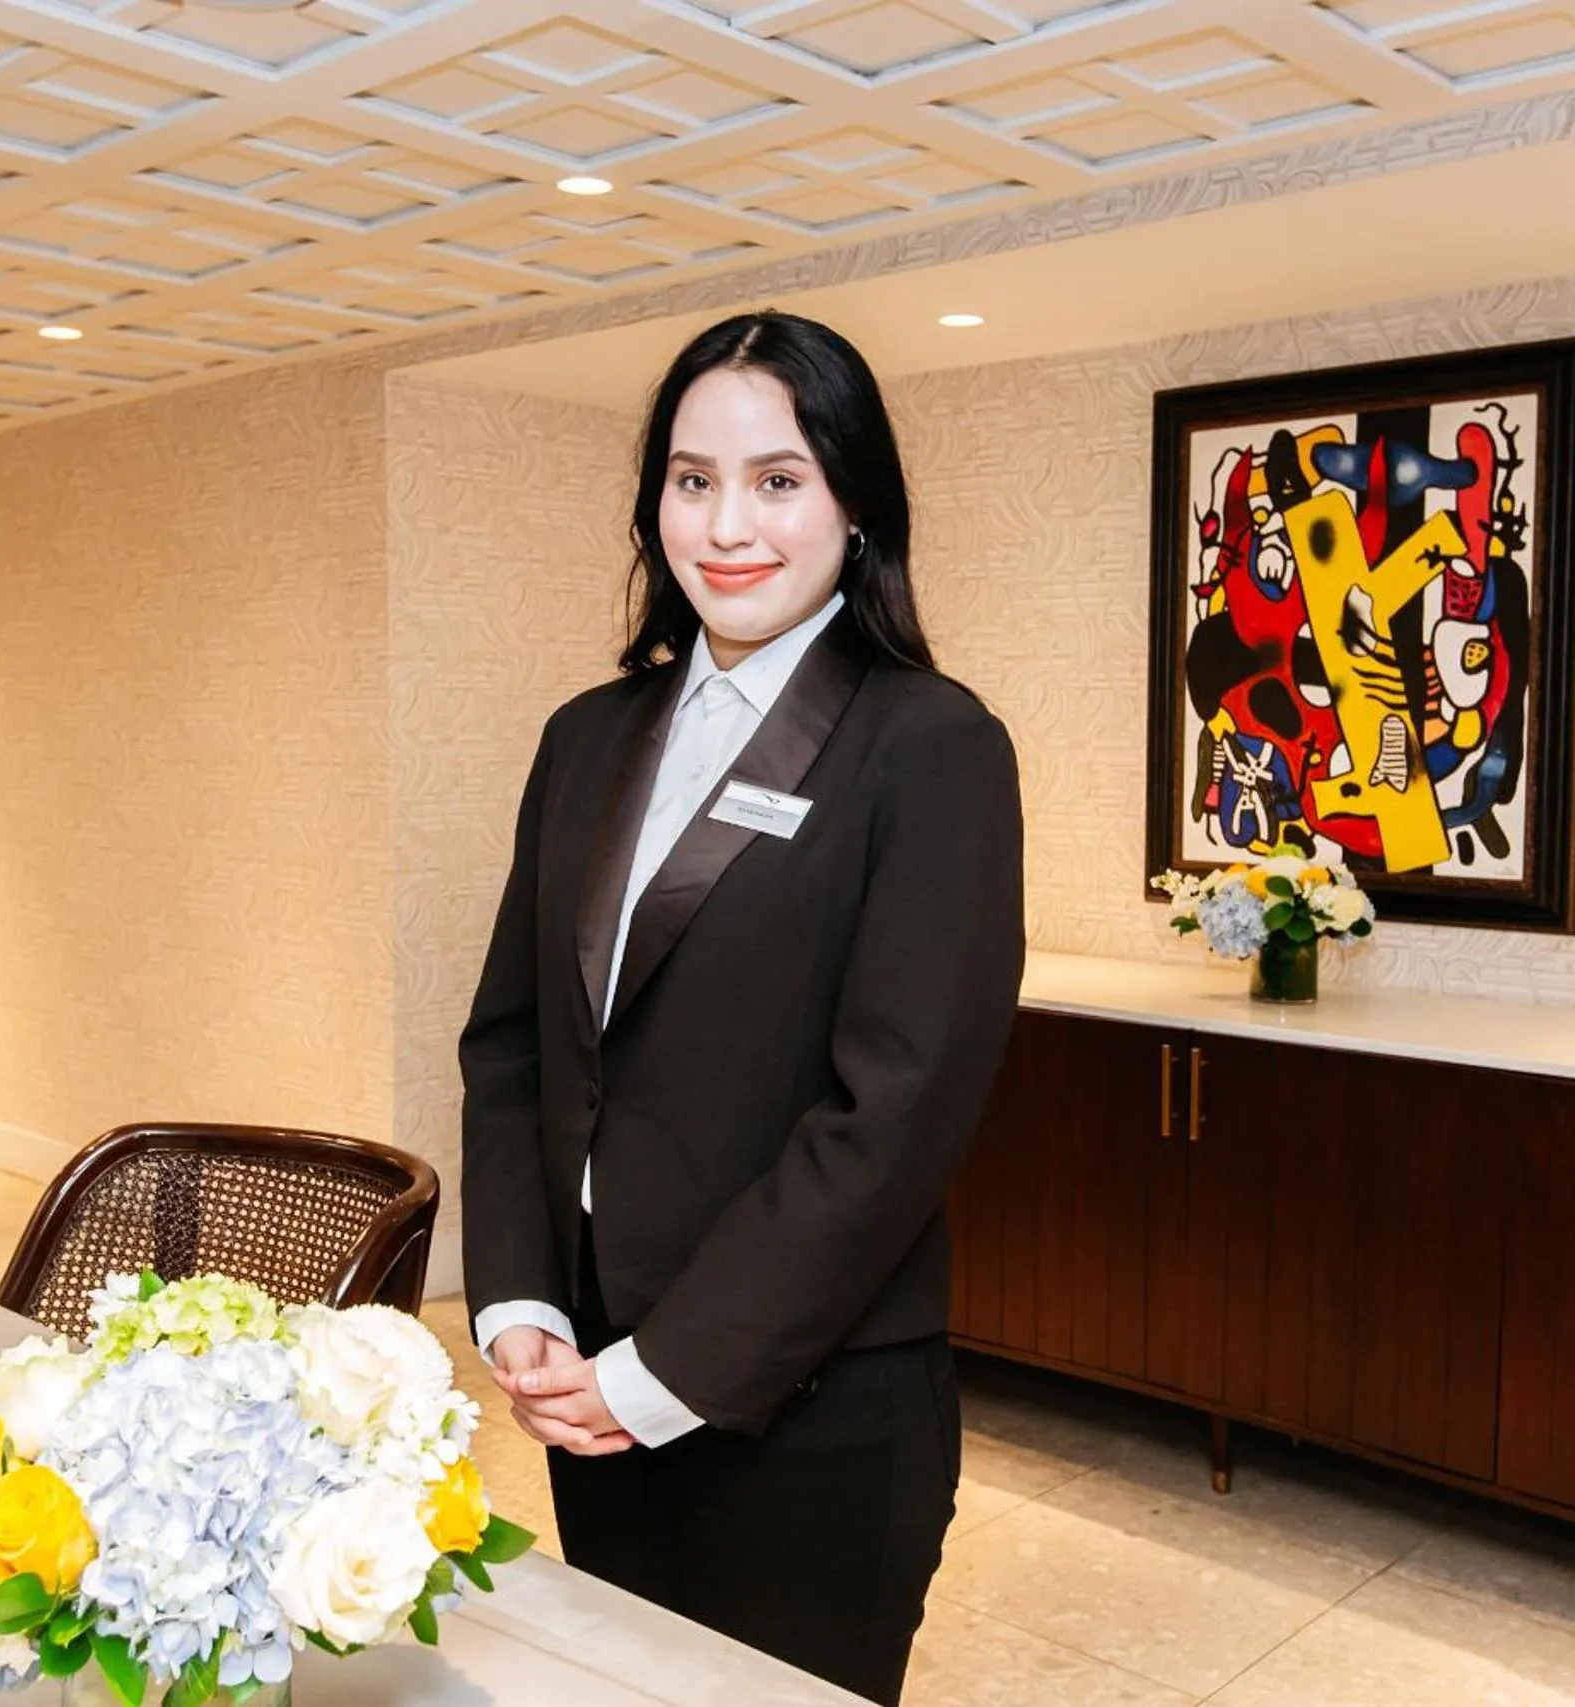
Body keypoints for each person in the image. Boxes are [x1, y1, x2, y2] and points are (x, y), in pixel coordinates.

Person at [457, 309, 1026, 1705]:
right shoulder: (588, 736)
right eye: (691, 478)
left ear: (857, 503)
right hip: (596, 1393)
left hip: (808, 1414)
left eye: (779, 478)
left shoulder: (933, 745)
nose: (728, 524)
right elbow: (518, 1042)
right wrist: (524, 1291)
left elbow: (887, 1120)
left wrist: (665, 1371)